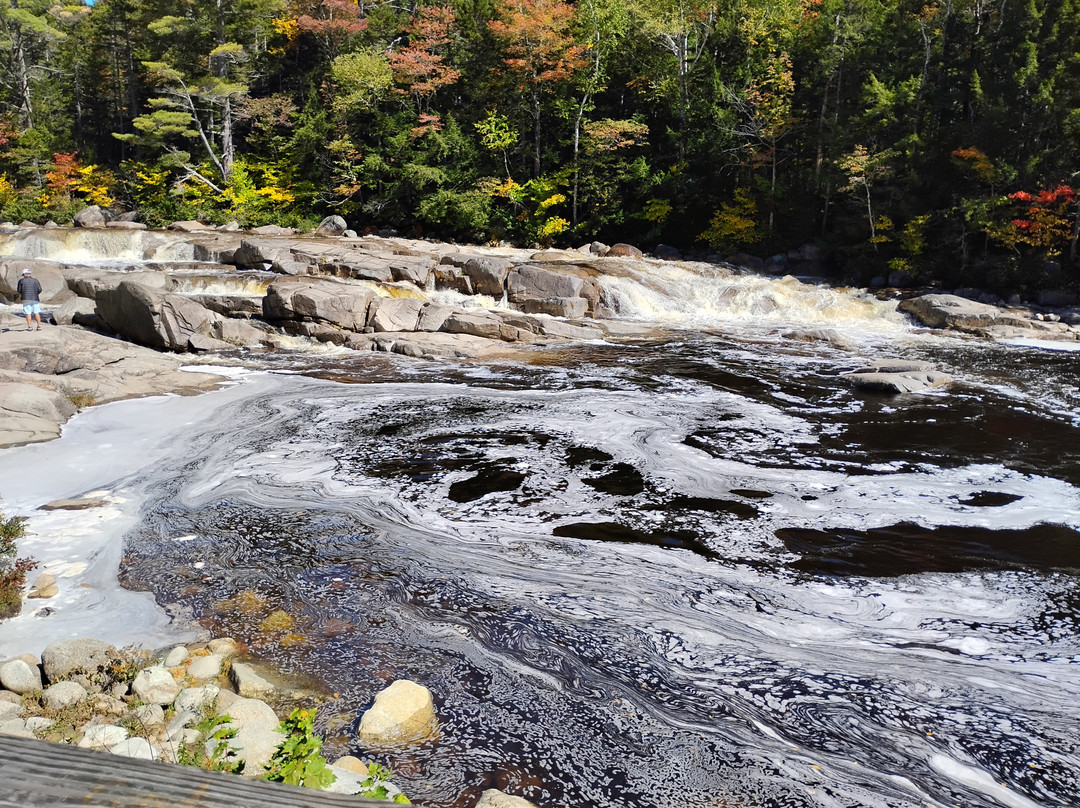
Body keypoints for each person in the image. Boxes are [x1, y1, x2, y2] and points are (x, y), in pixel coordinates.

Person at [16, 267, 43, 331]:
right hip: (35, 298)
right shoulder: (36, 281)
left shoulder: (21, 281)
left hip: (26, 298)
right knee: (36, 312)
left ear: (25, 274)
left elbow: (19, 290)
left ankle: (29, 327)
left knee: (28, 313)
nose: (23, 276)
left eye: (23, 275)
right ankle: (39, 326)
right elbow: (40, 290)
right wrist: (35, 294)